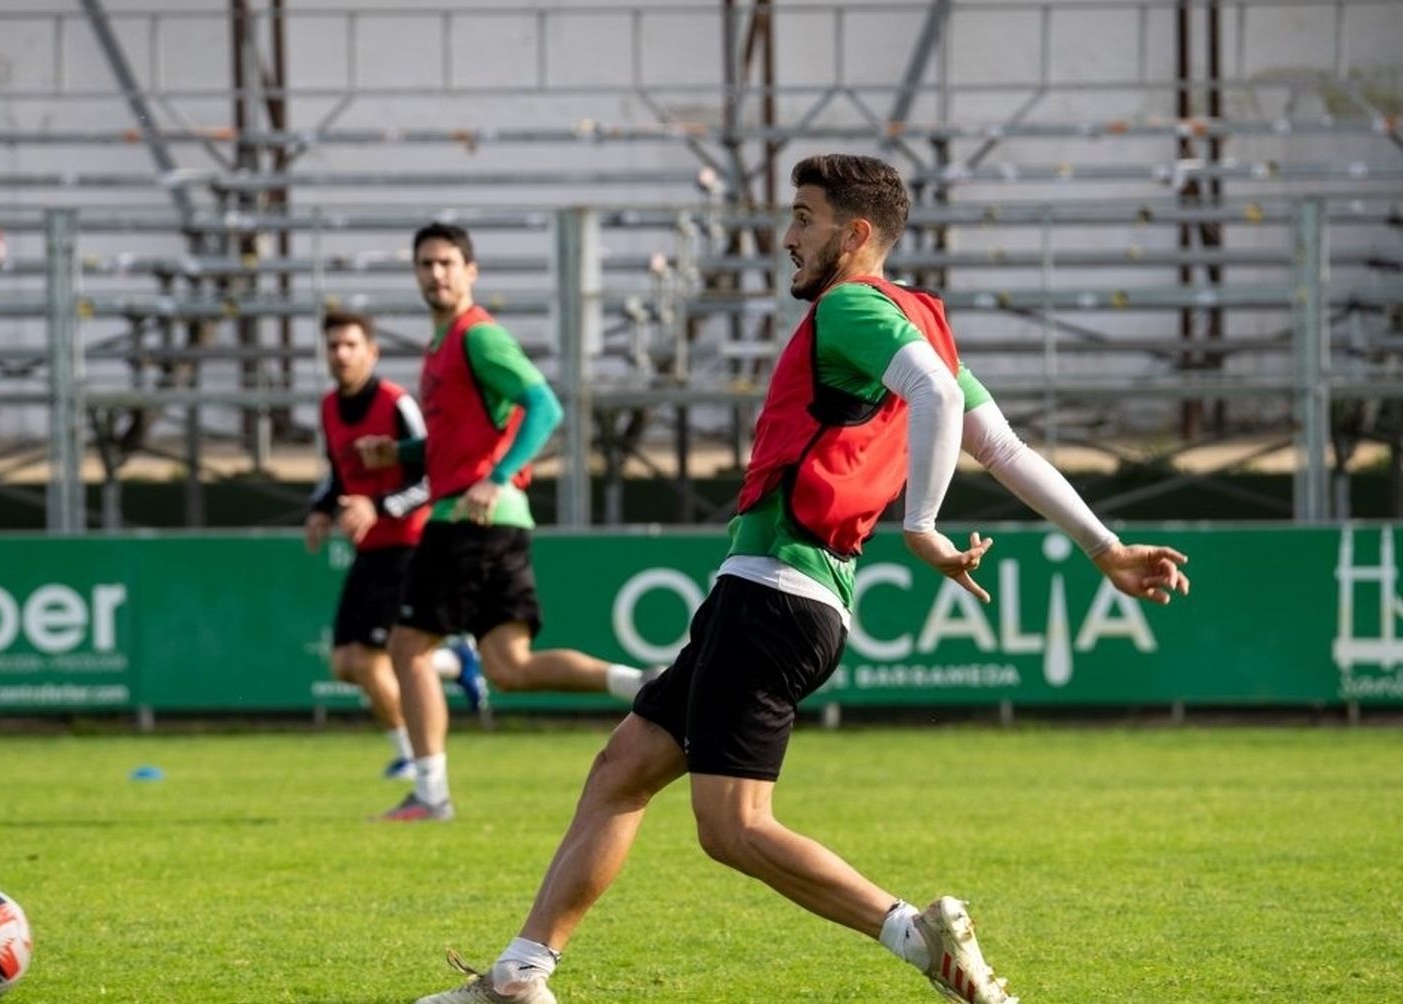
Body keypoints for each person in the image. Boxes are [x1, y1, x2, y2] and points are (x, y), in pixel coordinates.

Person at [410, 155, 1192, 1004]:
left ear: (856, 235)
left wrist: (921, 525)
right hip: (766, 594)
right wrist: (1102, 546)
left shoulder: (853, 305)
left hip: (775, 596)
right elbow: (1002, 447)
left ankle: (916, 936)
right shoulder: (913, 318)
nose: (787, 238)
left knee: (732, 828)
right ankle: (522, 976)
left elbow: (933, 395)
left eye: (805, 218)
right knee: (621, 769)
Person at [355, 222, 656, 823]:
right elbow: (458, 438)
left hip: (470, 514)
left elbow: (545, 404)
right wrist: (402, 455)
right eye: (426, 264)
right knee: (509, 666)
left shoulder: (477, 337)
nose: (436, 274)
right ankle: (646, 685)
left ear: (471, 272)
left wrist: (497, 476)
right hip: (487, 517)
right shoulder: (442, 345)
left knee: (408, 647)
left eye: (447, 263)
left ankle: (431, 794)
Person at [304, 309, 487, 782]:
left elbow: (432, 475)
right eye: (333, 346)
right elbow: (338, 474)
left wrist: (378, 506)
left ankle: (411, 756)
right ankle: (454, 659)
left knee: (368, 660)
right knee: (345, 663)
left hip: (408, 543)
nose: (341, 354)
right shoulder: (328, 408)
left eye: (350, 345)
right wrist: (322, 510)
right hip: (369, 548)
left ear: (372, 352)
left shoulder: (395, 403)